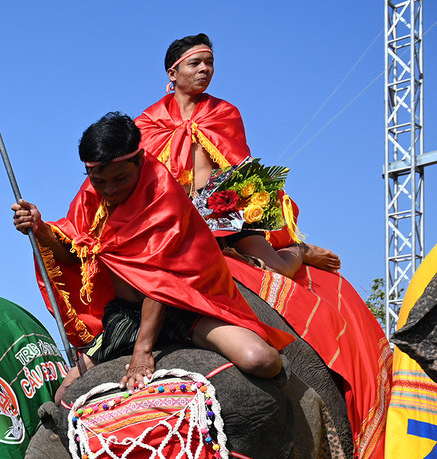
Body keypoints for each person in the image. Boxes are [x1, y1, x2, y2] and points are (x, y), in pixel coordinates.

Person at [11, 112, 288, 390]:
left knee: (260, 360)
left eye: (119, 179)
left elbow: (161, 278)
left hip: (185, 307)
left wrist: (143, 352)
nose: (109, 189)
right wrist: (41, 228)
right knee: (64, 395)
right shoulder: (92, 194)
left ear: (140, 160)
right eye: (99, 181)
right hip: (126, 316)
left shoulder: (163, 194)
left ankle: (297, 255)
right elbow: (75, 257)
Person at [134, 33, 340, 278]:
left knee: (279, 269)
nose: (204, 69)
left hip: (219, 210)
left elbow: (240, 168)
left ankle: (300, 250)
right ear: (172, 74)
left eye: (209, 63)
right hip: (169, 214)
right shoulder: (147, 123)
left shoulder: (224, 112)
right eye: (195, 63)